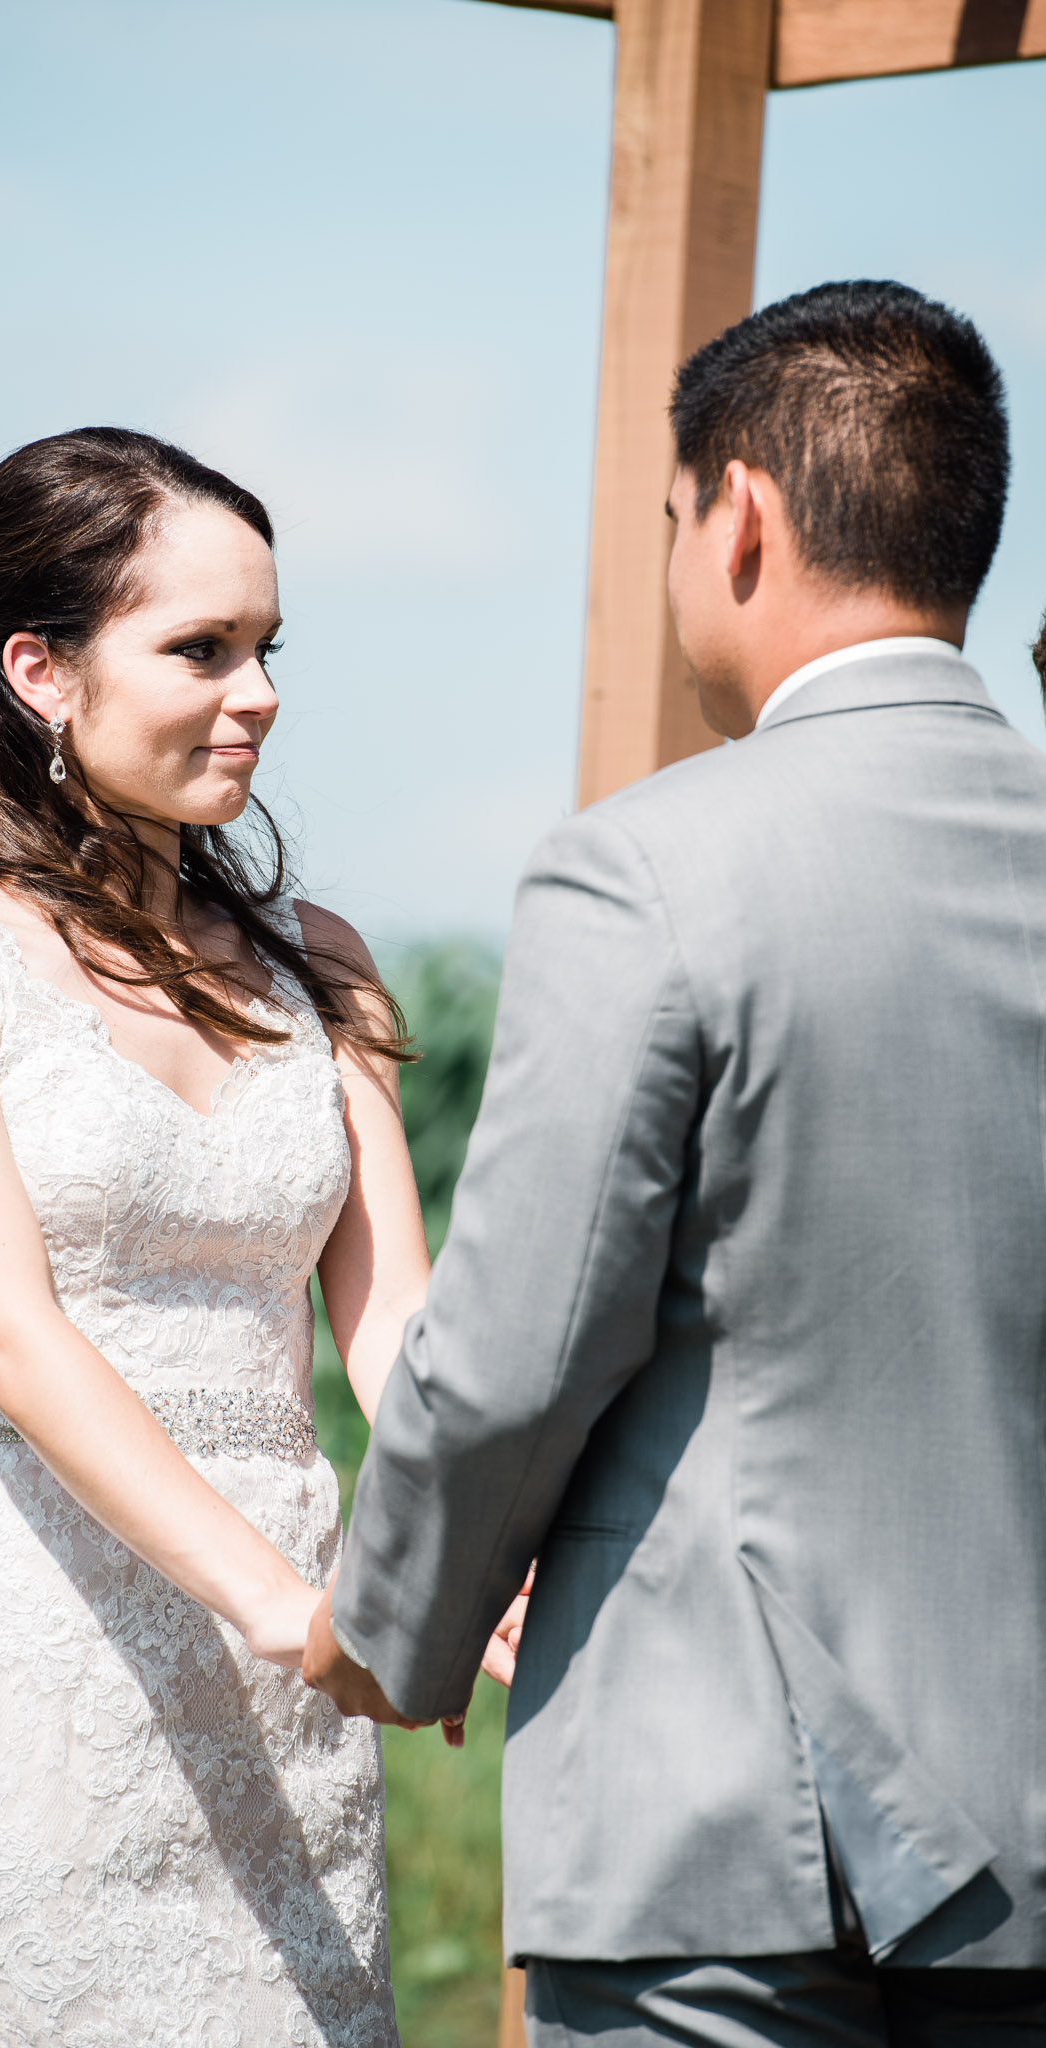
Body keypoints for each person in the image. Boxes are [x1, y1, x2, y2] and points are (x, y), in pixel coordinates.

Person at [304, 281, 1046, 2045]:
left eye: (668, 519)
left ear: (744, 521)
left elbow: (515, 1351)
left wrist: (388, 1623)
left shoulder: (646, 872)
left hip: (733, 1833)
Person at [0, 428, 438, 2046]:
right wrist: (272, 1605)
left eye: (266, 648)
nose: (260, 692)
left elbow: (395, 1334)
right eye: (203, 648)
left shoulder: (322, 964)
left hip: (295, 1692)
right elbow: (14, 1337)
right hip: (35, 1677)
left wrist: (475, 1546)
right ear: (40, 669)